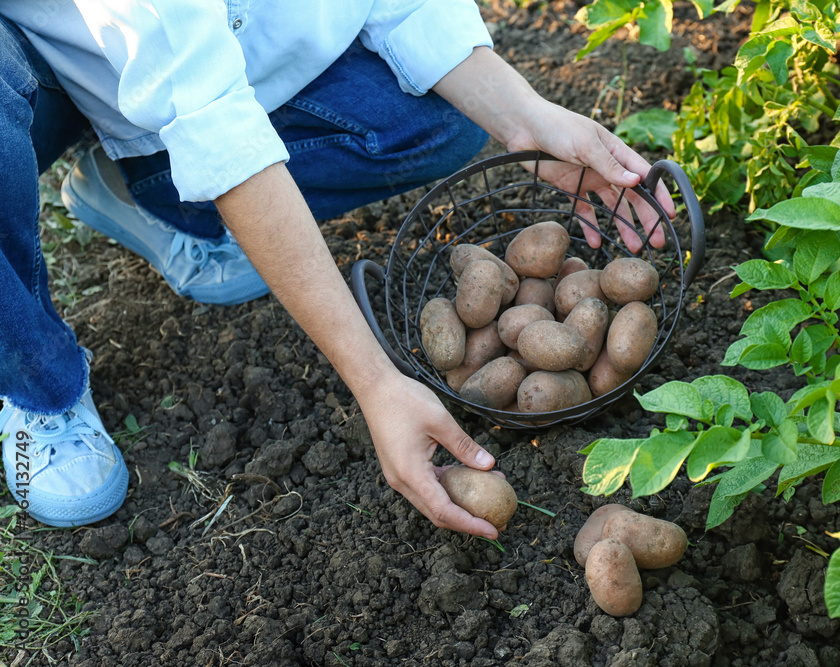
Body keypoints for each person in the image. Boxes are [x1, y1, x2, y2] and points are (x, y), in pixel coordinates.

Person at [0, 0, 671, 535]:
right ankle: (40, 385)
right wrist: (376, 381)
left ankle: (146, 189)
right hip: (38, 55)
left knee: (437, 121)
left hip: (212, 50)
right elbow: (214, 123)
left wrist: (527, 118)